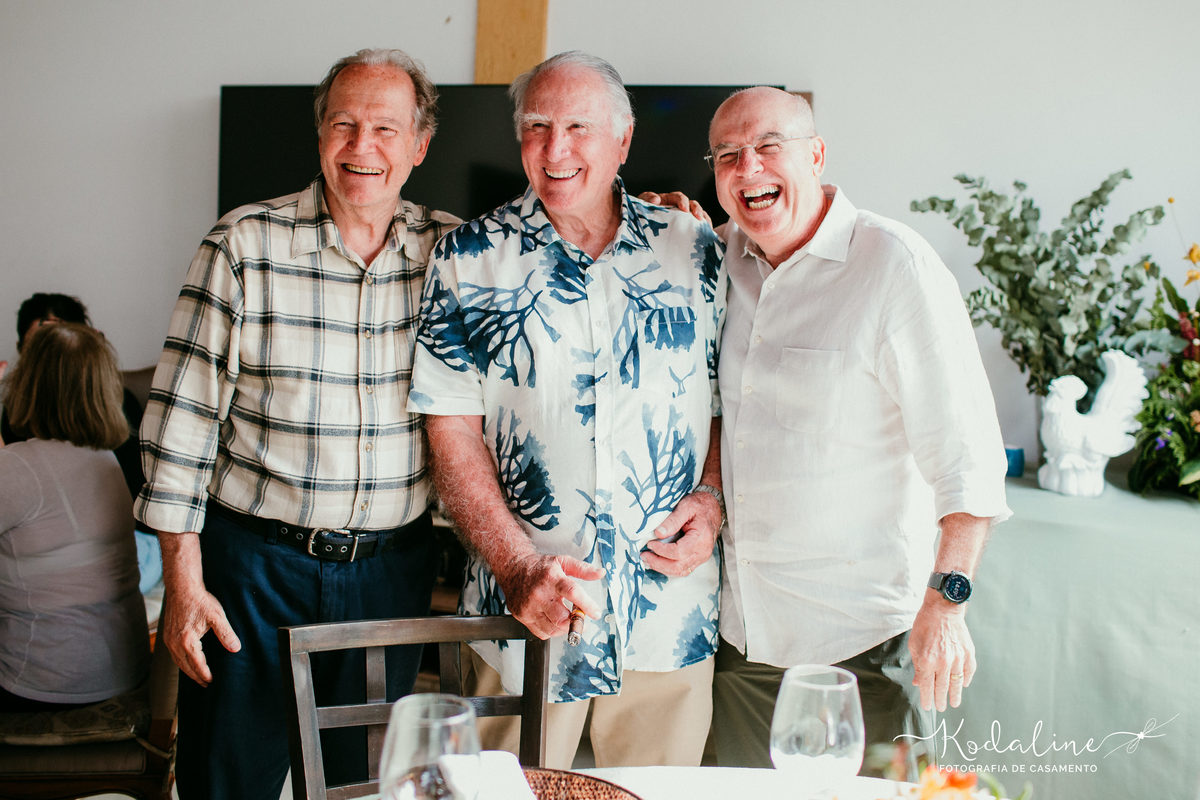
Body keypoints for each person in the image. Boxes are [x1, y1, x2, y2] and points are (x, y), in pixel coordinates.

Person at [135, 49, 459, 800]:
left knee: (368, 789)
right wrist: (182, 583)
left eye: (385, 127)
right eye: (343, 124)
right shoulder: (242, 245)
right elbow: (179, 428)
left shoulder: (457, 252)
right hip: (253, 570)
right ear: (319, 136)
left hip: (389, 573)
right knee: (228, 782)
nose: (361, 147)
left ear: (419, 146)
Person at [408, 51, 727, 769]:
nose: (556, 149)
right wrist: (519, 568)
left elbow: (724, 402)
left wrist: (711, 497)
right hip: (519, 615)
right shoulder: (466, 258)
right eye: (537, 126)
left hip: (666, 616)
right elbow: (450, 430)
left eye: (579, 126)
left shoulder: (696, 250)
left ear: (623, 142)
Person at [700, 87, 1010, 770]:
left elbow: (969, 457)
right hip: (741, 640)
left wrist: (948, 604)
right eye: (728, 154)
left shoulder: (895, 265)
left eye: (767, 146)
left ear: (816, 155)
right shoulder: (718, 259)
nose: (748, 166)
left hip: (862, 647)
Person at [0, 323, 150, 711]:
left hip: (45, 686)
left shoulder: (20, 468)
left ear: (28, 383)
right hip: (123, 674)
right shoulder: (106, 462)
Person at [1, 292, 145, 502]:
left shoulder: (118, 405)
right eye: (39, 349)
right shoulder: (16, 407)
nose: (50, 363)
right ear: (22, 350)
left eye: (61, 346)